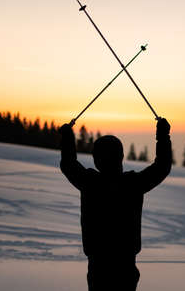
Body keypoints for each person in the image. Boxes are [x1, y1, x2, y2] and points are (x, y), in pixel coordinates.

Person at [59, 118, 172, 291]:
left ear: (97, 160)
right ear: (121, 157)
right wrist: (163, 136)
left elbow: (68, 164)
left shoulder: (90, 182)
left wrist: (67, 137)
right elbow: (162, 166)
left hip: (98, 266)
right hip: (125, 266)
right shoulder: (133, 184)